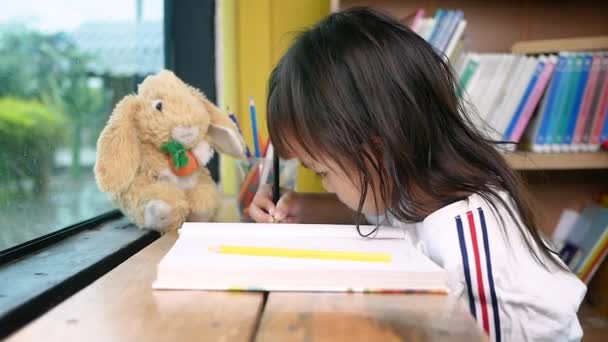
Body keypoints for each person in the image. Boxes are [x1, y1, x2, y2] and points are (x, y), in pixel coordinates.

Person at [249, 7, 586, 342]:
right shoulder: (416, 187)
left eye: (323, 173)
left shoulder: (466, 244)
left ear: (378, 152)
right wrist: (304, 207)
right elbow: (384, 212)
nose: (327, 185)